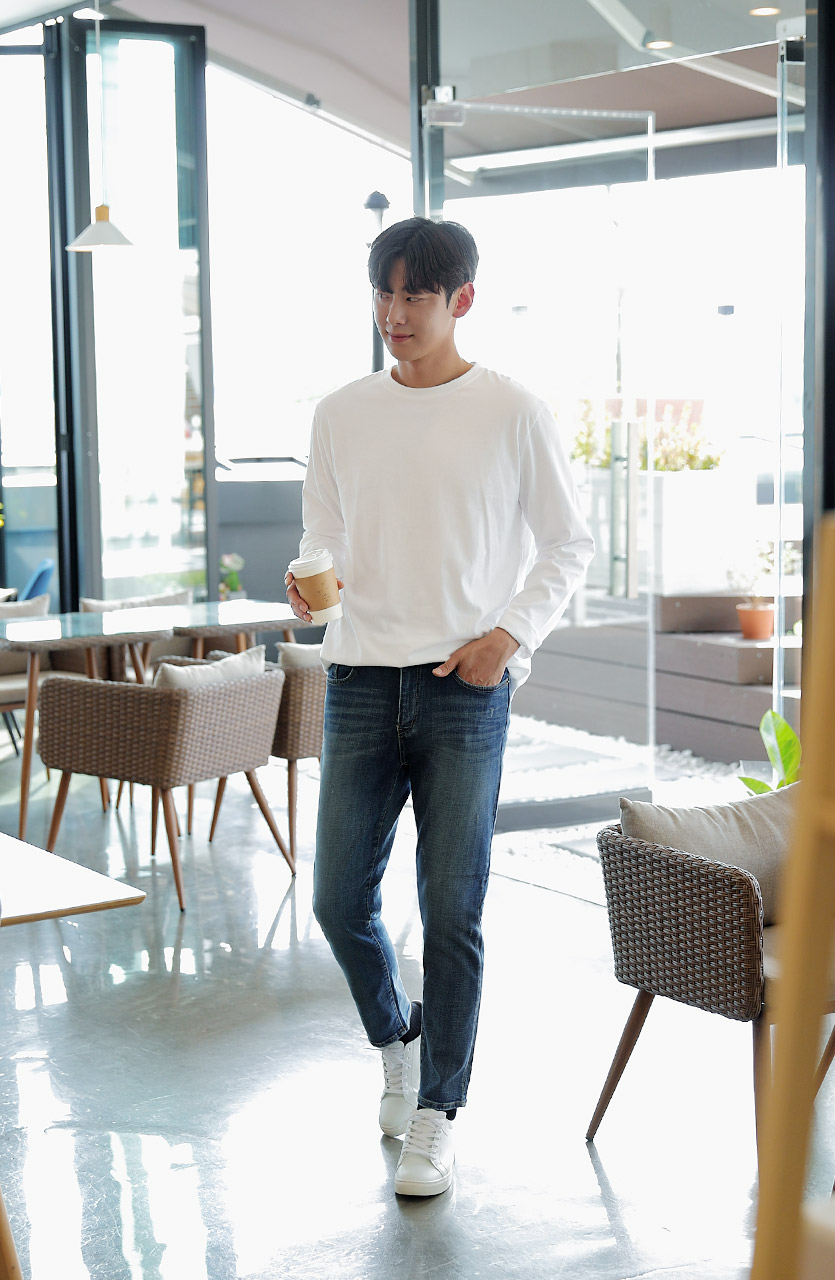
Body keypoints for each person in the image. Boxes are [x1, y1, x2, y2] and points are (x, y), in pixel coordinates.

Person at [285, 216, 593, 1197]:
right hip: (360, 679)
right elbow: (324, 537)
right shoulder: (341, 411)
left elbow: (569, 544)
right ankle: (397, 1035)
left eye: (414, 294)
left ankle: (439, 1109)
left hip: (465, 687)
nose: (394, 312)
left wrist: (511, 636)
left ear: (461, 299)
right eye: (383, 292)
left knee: (452, 909)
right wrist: (314, 583)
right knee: (337, 898)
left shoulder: (513, 410)